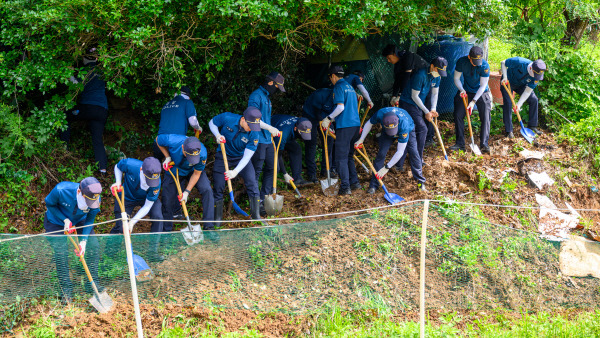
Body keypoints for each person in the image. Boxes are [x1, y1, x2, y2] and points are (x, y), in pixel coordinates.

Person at [44, 177, 102, 303]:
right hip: (56, 220)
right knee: (61, 252)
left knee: (94, 246)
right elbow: (50, 204)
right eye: (87, 200)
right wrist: (64, 219)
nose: (90, 203)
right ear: (79, 192)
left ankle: (92, 285)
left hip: (80, 219)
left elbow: (90, 220)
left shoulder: (95, 198)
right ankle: (66, 289)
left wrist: (84, 241)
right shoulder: (61, 190)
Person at [398, 56, 448, 190]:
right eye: (438, 70)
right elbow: (414, 96)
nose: (439, 74)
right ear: (432, 66)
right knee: (421, 129)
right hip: (408, 103)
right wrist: (426, 111)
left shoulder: (437, 76)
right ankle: (416, 159)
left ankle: (406, 161)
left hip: (418, 105)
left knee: (417, 131)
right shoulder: (420, 75)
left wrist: (433, 109)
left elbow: (435, 94)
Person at [208, 107, 263, 221]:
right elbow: (212, 123)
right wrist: (217, 135)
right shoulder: (228, 118)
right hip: (223, 156)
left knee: (252, 183)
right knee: (218, 186)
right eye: (250, 126)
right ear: (243, 119)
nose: (251, 129)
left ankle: (256, 216)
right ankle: (217, 219)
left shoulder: (255, 134)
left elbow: (247, 156)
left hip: (241, 158)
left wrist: (235, 171)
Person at [61, 48, 109, 175]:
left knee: (64, 117)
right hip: (102, 109)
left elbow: (77, 86)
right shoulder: (103, 71)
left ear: (84, 58)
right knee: (97, 138)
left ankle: (62, 150)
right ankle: (102, 169)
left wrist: (70, 73)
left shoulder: (85, 71)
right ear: (97, 58)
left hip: (88, 108)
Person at [155, 135, 214, 232]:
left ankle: (209, 227)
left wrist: (186, 192)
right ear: (183, 147)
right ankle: (166, 230)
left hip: (192, 171)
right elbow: (158, 140)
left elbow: (196, 174)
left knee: (207, 189)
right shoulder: (172, 140)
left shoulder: (202, 153)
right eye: (189, 155)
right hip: (174, 169)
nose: (191, 158)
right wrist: (167, 157)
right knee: (167, 198)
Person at [382, 44, 436, 148]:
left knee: (427, 110)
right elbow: (398, 80)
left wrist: (400, 95)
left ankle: (429, 138)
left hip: (425, 84)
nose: (388, 61)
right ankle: (410, 136)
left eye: (389, 58)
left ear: (394, 54)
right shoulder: (398, 64)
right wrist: (394, 96)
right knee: (412, 112)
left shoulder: (407, 56)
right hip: (414, 89)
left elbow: (406, 78)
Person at [354, 107, 417, 193]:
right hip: (387, 133)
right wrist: (361, 139)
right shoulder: (380, 114)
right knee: (381, 154)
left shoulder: (404, 125)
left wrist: (387, 167)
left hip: (407, 129)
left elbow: (400, 151)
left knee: (413, 151)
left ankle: (420, 182)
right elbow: (369, 123)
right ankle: (373, 185)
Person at [321, 65, 361, 195]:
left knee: (340, 158)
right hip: (355, 126)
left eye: (330, 77)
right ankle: (354, 183)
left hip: (345, 126)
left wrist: (328, 118)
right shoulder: (350, 87)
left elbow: (340, 108)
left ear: (333, 76)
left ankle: (345, 187)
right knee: (349, 156)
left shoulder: (338, 87)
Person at [248, 72, 284, 213]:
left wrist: (270, 130)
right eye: (277, 87)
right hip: (257, 139)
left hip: (268, 140)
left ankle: (264, 199)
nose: (276, 90)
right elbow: (253, 118)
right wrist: (269, 127)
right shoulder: (256, 96)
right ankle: (255, 203)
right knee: (256, 171)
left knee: (272, 168)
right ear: (270, 83)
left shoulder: (267, 98)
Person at [450, 46, 493, 153]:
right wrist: (461, 89)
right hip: (466, 90)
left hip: (482, 91)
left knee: (486, 115)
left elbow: (483, 86)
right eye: (474, 61)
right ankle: (460, 143)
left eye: (478, 61)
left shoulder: (484, 66)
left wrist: (473, 101)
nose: (476, 63)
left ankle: (484, 144)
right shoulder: (462, 62)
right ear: (469, 57)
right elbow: (456, 78)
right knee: (458, 114)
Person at [109, 157, 163, 234]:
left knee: (158, 217)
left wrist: (132, 222)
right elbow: (118, 167)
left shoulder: (156, 183)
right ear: (141, 169)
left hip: (146, 198)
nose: (150, 183)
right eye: (148, 178)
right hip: (127, 197)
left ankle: (154, 245)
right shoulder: (131, 165)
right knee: (121, 227)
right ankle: (111, 245)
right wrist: (118, 181)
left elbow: (147, 206)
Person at [500, 57, 546, 138]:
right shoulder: (519, 62)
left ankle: (532, 126)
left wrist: (519, 104)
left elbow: (528, 91)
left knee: (534, 99)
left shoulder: (538, 75)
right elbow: (503, 62)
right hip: (508, 82)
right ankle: (509, 130)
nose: (536, 77)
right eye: (535, 74)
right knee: (508, 102)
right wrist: (505, 77)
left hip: (521, 85)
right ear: (531, 68)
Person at [153, 86, 203, 160]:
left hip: (159, 141)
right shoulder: (187, 102)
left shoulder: (166, 104)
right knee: (178, 166)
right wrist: (198, 128)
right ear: (189, 97)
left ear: (174, 94)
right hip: (176, 141)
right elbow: (193, 122)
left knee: (156, 166)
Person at [301, 88, 335, 183]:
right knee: (312, 142)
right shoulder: (320, 95)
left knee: (329, 140)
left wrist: (329, 123)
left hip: (326, 117)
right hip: (310, 114)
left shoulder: (340, 99)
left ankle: (326, 170)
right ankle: (311, 173)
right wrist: (321, 121)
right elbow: (316, 111)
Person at [271, 115, 313, 187]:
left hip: (286, 134)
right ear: (295, 128)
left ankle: (297, 179)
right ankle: (270, 186)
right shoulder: (283, 134)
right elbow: (278, 155)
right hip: (271, 135)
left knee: (296, 149)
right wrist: (285, 174)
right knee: (274, 162)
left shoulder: (303, 123)